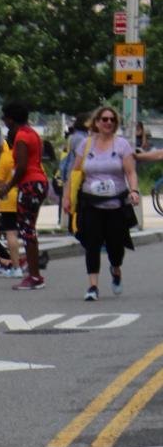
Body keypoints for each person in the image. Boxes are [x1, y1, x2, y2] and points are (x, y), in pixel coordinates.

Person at [73, 104, 140, 301]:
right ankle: (93, 286)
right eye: (104, 119)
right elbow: (75, 172)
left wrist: (134, 191)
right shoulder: (85, 145)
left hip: (115, 203)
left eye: (112, 120)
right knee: (92, 244)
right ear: (96, 122)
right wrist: (68, 198)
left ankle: (115, 268)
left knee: (115, 247)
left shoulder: (122, 145)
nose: (108, 122)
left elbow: (130, 172)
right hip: (91, 203)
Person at [0, 100, 49, 290]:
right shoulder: (32, 133)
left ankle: (34, 276)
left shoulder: (21, 137)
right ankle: (34, 273)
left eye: (5, 118)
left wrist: (8, 186)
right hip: (40, 182)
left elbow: (22, 167)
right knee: (29, 229)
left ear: (10, 120)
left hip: (29, 184)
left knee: (27, 231)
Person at [0, 137, 22, 275]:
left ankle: (16, 267)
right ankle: (31, 263)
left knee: (11, 232)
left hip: (8, 198)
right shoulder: (26, 156)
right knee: (28, 232)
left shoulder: (6, 157)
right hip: (25, 196)